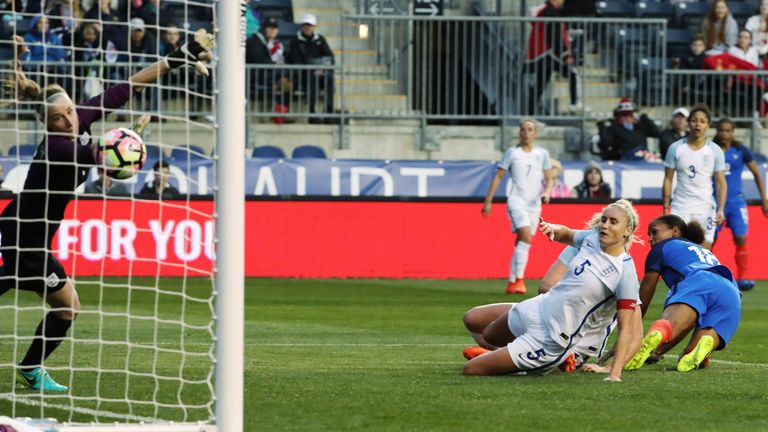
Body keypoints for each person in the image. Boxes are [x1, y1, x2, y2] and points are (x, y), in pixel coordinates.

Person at [0, 30, 213, 392]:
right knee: (67, 306)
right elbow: (104, 157)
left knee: (38, 290)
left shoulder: (80, 120)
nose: (67, 121)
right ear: (46, 124)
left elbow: (128, 85)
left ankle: (31, 369)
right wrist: (128, 141)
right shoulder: (58, 149)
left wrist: (183, 55)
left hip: (24, 227)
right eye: (57, 118)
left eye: (68, 112)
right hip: (28, 238)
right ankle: (32, 370)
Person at [463, 200, 643, 382]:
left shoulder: (625, 272)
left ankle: (532, 363)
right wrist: (552, 229)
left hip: (553, 338)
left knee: (472, 369)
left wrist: (613, 373)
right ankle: (513, 359)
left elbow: (626, 329)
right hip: (538, 308)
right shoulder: (592, 238)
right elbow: (567, 234)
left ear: (628, 230)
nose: (604, 225)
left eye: (613, 222)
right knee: (489, 335)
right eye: (603, 220)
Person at [623, 215, 741, 372]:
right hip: (732, 290)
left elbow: (645, 295)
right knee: (687, 356)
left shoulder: (661, 248)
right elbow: (689, 322)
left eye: (654, 232)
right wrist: (659, 353)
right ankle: (706, 344)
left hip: (700, 280)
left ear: (674, 231)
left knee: (666, 326)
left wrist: (628, 332)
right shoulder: (700, 250)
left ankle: (659, 332)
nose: (651, 239)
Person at [482, 120, 553, 294]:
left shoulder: (542, 154)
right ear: (519, 133)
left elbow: (549, 178)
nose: (526, 132)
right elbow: (498, 177)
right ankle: (520, 280)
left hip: (534, 204)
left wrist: (547, 193)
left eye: (529, 129)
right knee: (526, 236)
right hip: (516, 201)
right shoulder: (512, 153)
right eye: (523, 129)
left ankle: (512, 280)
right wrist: (488, 201)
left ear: (535, 133)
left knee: (522, 240)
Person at [712, 118, 768, 291]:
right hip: (714, 202)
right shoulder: (710, 149)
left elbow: (757, 174)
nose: (724, 134)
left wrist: (764, 200)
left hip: (736, 202)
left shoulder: (740, 150)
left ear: (732, 132)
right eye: (721, 130)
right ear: (717, 131)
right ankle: (707, 275)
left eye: (728, 130)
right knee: (710, 240)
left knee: (741, 238)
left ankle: (742, 277)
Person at [662, 106, 727, 249]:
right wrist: (666, 204)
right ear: (688, 123)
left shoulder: (715, 151)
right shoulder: (676, 148)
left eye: (702, 121)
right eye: (694, 120)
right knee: (678, 249)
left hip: (705, 207)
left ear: (708, 125)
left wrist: (721, 209)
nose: (698, 124)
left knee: (704, 251)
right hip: (680, 207)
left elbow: (721, 183)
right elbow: (668, 178)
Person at [524, 0, 582, 114]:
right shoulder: (551, 13)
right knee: (573, 75)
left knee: (539, 86)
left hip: (542, 54)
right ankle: (574, 105)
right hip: (548, 54)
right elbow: (554, 35)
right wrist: (565, 55)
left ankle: (528, 115)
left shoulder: (547, 11)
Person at [286, 14, 335, 118]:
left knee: (329, 79)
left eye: (310, 25)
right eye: (305, 25)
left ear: (314, 26)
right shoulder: (295, 41)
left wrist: (323, 69)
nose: (307, 28)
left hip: (321, 73)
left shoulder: (320, 39)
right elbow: (296, 61)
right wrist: (312, 70)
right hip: (303, 75)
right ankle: (311, 110)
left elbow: (330, 57)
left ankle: (329, 110)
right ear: (301, 26)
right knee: (313, 78)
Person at [597, 97, 661, 161]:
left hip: (644, 159)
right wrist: (601, 125)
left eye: (629, 115)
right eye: (624, 115)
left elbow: (656, 133)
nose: (627, 118)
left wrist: (644, 117)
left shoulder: (640, 127)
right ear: (618, 117)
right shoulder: (614, 128)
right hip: (626, 161)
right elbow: (605, 143)